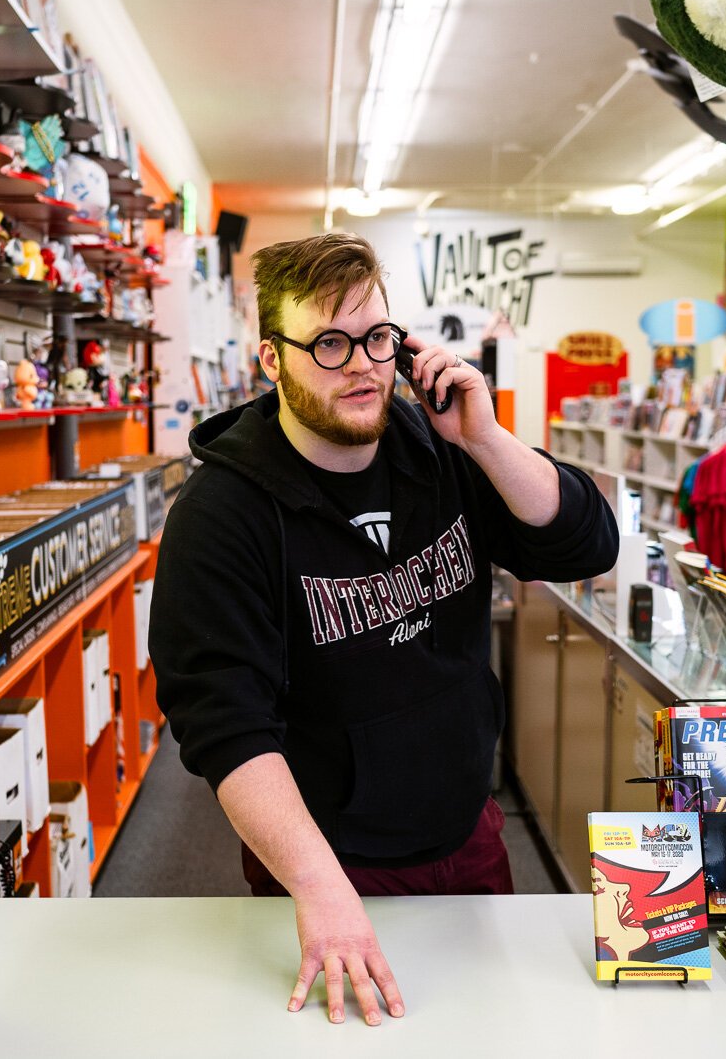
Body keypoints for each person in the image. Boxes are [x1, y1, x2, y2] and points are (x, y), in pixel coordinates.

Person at [149, 232, 619, 1026]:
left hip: (467, 835)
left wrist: (486, 438)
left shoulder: (440, 446)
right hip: (323, 864)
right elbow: (225, 726)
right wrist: (319, 888)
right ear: (271, 358)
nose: (362, 363)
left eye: (376, 337)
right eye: (329, 342)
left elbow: (583, 543)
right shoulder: (221, 515)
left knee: (486, 1033)